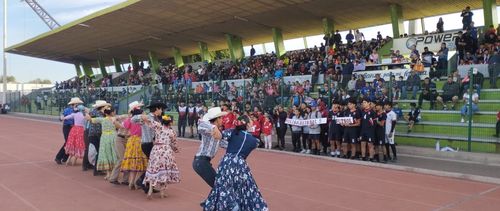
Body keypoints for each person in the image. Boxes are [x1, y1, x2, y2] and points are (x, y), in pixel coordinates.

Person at [203, 115, 268, 211]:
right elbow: (253, 142)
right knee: (245, 186)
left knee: (223, 184)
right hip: (240, 164)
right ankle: (239, 205)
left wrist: (212, 126)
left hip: (226, 162)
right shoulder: (254, 141)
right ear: (247, 124)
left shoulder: (232, 132)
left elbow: (218, 136)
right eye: (250, 122)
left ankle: (228, 205)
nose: (252, 123)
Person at [194, 107, 227, 206]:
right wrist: (213, 127)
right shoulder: (208, 129)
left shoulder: (218, 133)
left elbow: (226, 144)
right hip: (200, 162)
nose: (222, 120)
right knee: (219, 185)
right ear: (216, 119)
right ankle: (209, 203)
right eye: (221, 118)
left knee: (218, 184)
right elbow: (200, 124)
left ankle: (208, 202)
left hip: (204, 162)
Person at [142, 115, 180, 199]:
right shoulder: (172, 132)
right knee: (165, 170)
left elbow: (148, 121)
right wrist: (176, 149)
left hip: (156, 150)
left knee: (153, 169)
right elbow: (174, 144)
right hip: (166, 151)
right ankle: (162, 192)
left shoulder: (158, 127)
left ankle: (150, 190)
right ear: (171, 122)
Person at [132, 100, 166, 193]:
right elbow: (133, 119)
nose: (162, 111)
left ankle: (147, 186)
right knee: (154, 165)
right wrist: (141, 116)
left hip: (151, 144)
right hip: (147, 144)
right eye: (161, 109)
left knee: (153, 165)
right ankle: (142, 180)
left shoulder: (156, 118)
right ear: (157, 109)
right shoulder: (148, 117)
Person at [120, 101, 148, 190]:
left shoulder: (130, 120)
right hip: (140, 141)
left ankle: (131, 183)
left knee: (133, 163)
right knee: (140, 163)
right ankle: (136, 183)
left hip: (131, 141)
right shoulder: (142, 120)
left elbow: (124, 127)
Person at [86, 106, 119, 181]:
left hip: (104, 138)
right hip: (113, 137)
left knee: (106, 154)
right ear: (112, 112)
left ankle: (108, 174)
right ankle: (113, 173)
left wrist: (87, 113)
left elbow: (90, 119)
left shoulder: (102, 119)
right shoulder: (114, 118)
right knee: (113, 153)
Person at [55, 97, 83, 165]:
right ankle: (58, 157)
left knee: (72, 143)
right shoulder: (67, 110)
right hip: (67, 127)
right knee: (68, 143)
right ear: (74, 103)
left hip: (75, 128)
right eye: (77, 103)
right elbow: (62, 116)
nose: (78, 104)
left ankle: (65, 158)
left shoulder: (79, 110)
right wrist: (62, 117)